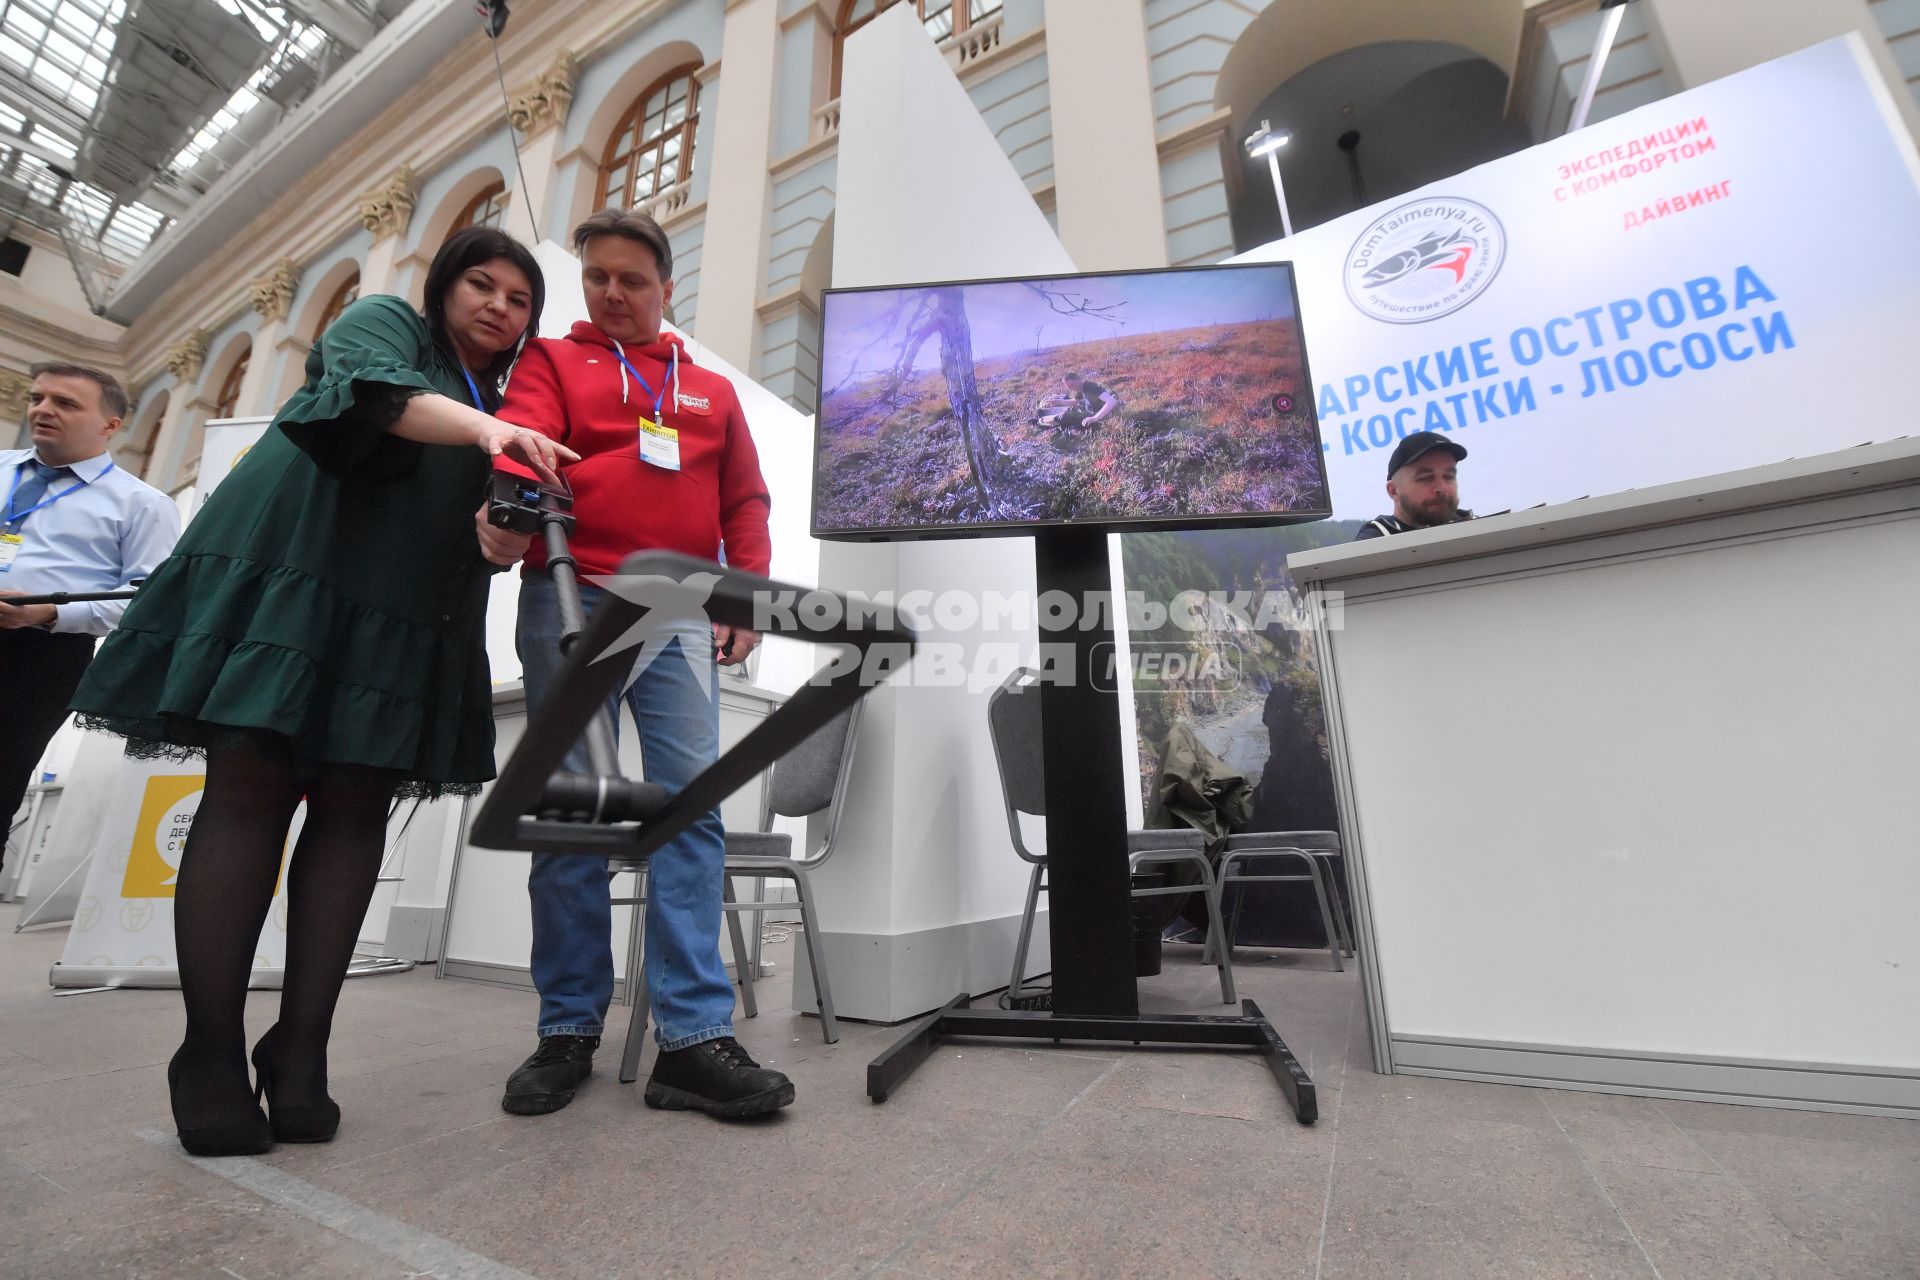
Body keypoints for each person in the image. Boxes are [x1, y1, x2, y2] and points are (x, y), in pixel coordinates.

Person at [69, 227, 575, 1157]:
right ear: (443, 287)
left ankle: (301, 1048)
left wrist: (503, 539)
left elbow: (488, 518)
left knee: (353, 810)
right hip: (297, 577)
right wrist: (488, 428)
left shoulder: (502, 399)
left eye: (520, 298)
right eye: (482, 283)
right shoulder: (388, 327)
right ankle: (210, 1055)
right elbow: (374, 403)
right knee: (249, 792)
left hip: (406, 609)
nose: (500, 306)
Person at [485, 207, 789, 1120]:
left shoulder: (709, 392)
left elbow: (746, 500)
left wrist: (747, 597)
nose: (613, 293)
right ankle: (566, 1028)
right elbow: (523, 436)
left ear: (666, 287)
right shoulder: (551, 362)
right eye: (598, 278)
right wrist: (513, 485)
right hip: (570, 597)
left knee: (690, 809)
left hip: (681, 609)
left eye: (632, 280)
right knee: (572, 812)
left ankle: (692, 1040)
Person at [1, 364, 180, 865]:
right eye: (38, 398)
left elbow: (148, 602)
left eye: (65, 403)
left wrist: (48, 614)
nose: (42, 409)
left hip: (36, 655)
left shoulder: (142, 504)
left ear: (111, 424)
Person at [1354, 431, 1472, 540]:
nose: (1442, 488)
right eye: (1426, 478)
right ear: (1393, 491)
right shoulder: (1374, 543)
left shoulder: (1477, 530)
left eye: (1449, 476)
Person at [1036, 372, 1118, 431]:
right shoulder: (1080, 388)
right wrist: (1058, 402)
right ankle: (1043, 418)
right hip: (1086, 412)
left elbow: (1111, 401)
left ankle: (1041, 421)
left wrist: (1095, 418)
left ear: (1078, 379)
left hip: (1096, 415)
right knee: (1067, 409)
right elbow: (1075, 401)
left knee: (1064, 416)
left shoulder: (1090, 386)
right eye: (1069, 387)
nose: (1071, 388)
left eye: (1072, 385)